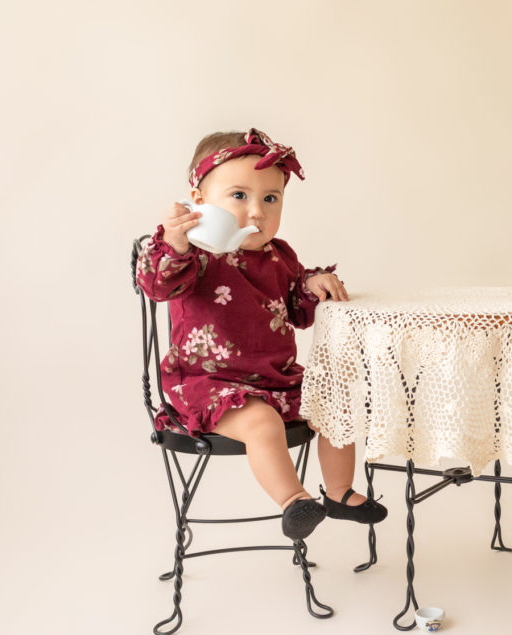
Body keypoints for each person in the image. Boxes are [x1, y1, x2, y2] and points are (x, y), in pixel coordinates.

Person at [136, 128, 387, 540]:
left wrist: (313, 286)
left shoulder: (279, 255)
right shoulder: (193, 256)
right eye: (239, 196)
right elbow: (157, 284)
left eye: (270, 199)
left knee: (337, 401)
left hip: (277, 380)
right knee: (262, 422)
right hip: (209, 385)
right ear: (198, 201)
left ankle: (339, 492)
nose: (256, 212)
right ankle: (294, 501)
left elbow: (298, 312)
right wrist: (175, 243)